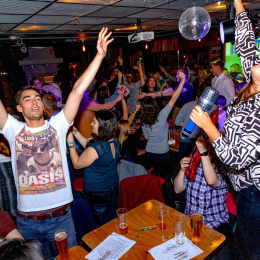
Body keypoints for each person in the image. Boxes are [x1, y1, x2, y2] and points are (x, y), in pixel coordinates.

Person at [0, 27, 114, 260]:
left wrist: (100, 56)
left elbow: (77, 90)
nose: (34, 102)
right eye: (27, 99)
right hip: (27, 223)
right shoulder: (12, 129)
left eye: (37, 98)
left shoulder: (58, 125)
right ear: (19, 108)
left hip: (61, 219)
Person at [190, 1, 260, 257]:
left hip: (255, 195)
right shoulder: (253, 79)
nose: (257, 60)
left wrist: (208, 126)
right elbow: (245, 43)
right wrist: (239, 3)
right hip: (242, 190)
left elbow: (237, 157)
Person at [174, 137, 232, 259]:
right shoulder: (195, 166)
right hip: (191, 222)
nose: (209, 151)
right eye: (207, 148)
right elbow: (177, 189)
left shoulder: (223, 170)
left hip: (216, 225)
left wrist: (203, 152)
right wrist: (182, 170)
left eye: (211, 149)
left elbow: (211, 181)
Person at [67, 110, 120, 225]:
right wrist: (76, 133)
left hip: (98, 192)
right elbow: (90, 147)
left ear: (103, 126)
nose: (91, 124)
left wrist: (71, 143)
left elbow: (77, 163)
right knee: (110, 219)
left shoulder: (97, 147)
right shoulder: (113, 141)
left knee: (101, 224)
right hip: (113, 186)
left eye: (94, 122)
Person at [140, 72, 186, 179]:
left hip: (149, 154)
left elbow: (146, 138)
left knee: (156, 173)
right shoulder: (161, 115)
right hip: (162, 154)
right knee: (168, 174)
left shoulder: (144, 121)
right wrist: (182, 81)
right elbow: (174, 97)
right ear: (155, 106)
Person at [175, 88, 217, 161]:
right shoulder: (214, 107)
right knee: (198, 165)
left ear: (197, 98)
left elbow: (177, 122)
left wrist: (186, 124)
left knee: (183, 163)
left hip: (186, 139)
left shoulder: (187, 105)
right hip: (203, 140)